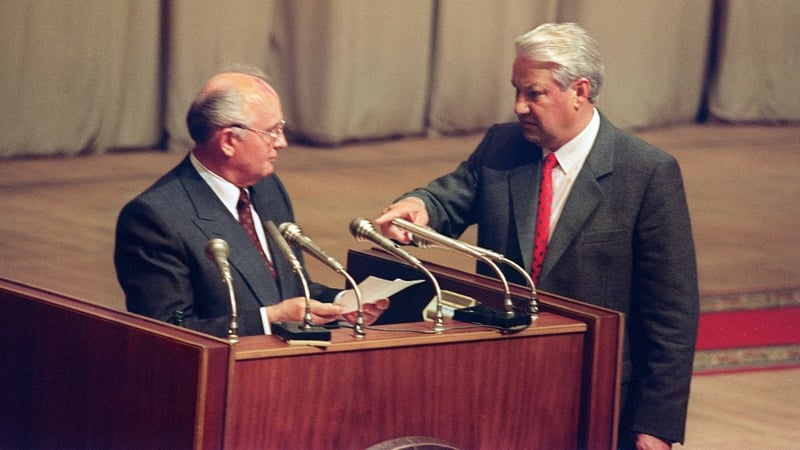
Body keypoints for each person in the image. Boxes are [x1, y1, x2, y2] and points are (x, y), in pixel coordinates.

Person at [375, 23, 698, 450]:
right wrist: (420, 207)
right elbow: (450, 197)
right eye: (516, 92)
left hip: (595, 391)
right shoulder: (502, 147)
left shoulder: (646, 173)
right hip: (500, 382)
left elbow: (672, 313)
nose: (519, 107)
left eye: (533, 93)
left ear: (579, 91)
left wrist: (656, 424)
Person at [115, 69, 386, 338]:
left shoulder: (267, 188)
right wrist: (269, 320)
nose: (282, 142)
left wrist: (341, 303)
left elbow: (289, 288)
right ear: (230, 141)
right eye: (272, 131)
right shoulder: (154, 219)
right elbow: (169, 333)